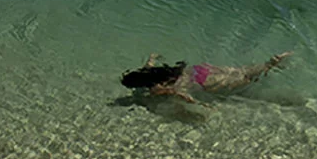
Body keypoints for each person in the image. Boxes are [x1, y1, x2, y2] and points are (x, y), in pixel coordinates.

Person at [121, 52, 293, 104]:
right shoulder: (151, 72)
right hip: (199, 70)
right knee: (240, 71)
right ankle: (271, 62)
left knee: (244, 81)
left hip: (200, 82)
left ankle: (270, 65)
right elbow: (150, 61)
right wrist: (153, 56)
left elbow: (177, 93)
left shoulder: (154, 88)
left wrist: (198, 104)